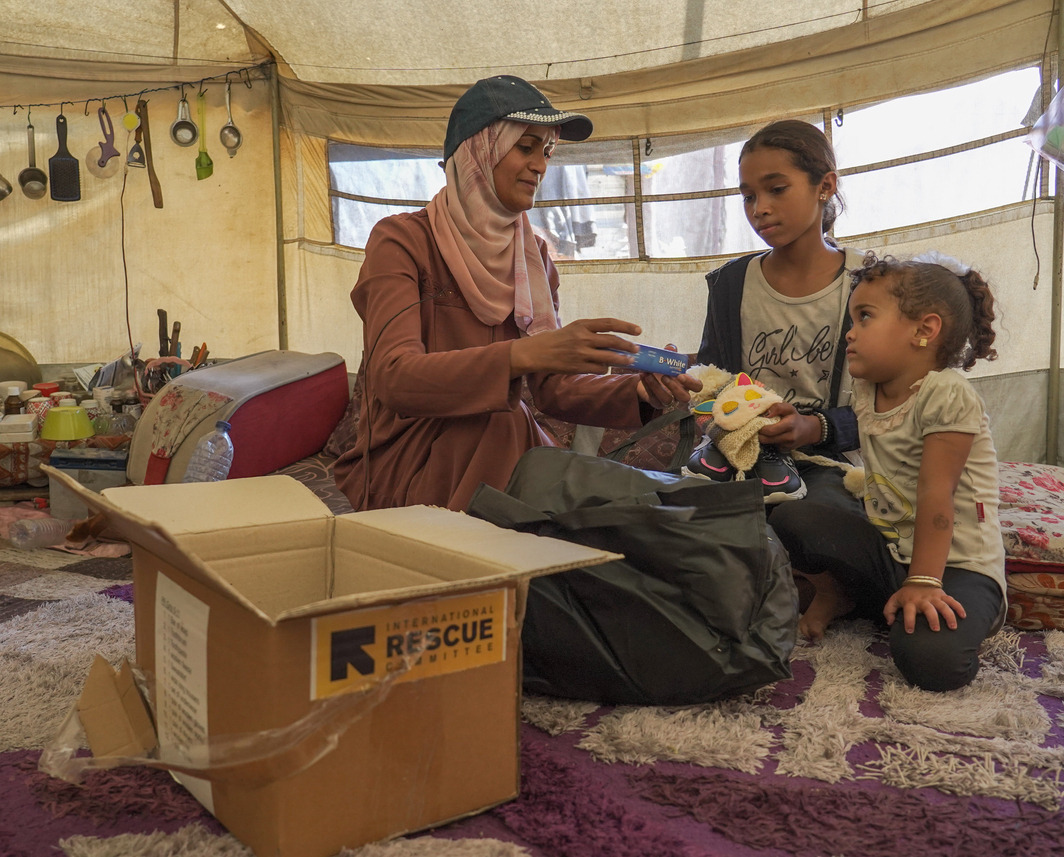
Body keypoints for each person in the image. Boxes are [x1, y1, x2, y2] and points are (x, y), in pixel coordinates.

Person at [334, 75, 699, 512]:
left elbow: (553, 390)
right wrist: (523, 355)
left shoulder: (533, 256)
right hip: (402, 460)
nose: (541, 166)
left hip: (494, 449)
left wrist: (638, 391)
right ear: (478, 150)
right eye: (525, 147)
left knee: (531, 447)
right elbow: (394, 379)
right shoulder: (401, 241)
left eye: (547, 152)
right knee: (510, 431)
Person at [781, 251, 1005, 692]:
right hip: (891, 552)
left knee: (931, 662)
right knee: (793, 515)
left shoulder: (947, 393)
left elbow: (936, 493)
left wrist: (924, 582)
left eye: (865, 317)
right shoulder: (868, 388)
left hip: (956, 564)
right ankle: (838, 593)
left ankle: (977, 608)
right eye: (852, 319)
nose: (851, 332)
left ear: (924, 330)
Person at [688, 119, 865, 505]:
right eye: (748, 196)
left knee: (806, 522)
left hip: (833, 461)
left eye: (777, 189)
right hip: (741, 452)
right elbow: (713, 380)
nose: (760, 209)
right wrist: (711, 409)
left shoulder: (868, 283)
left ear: (825, 186)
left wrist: (815, 427)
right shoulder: (730, 285)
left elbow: (899, 406)